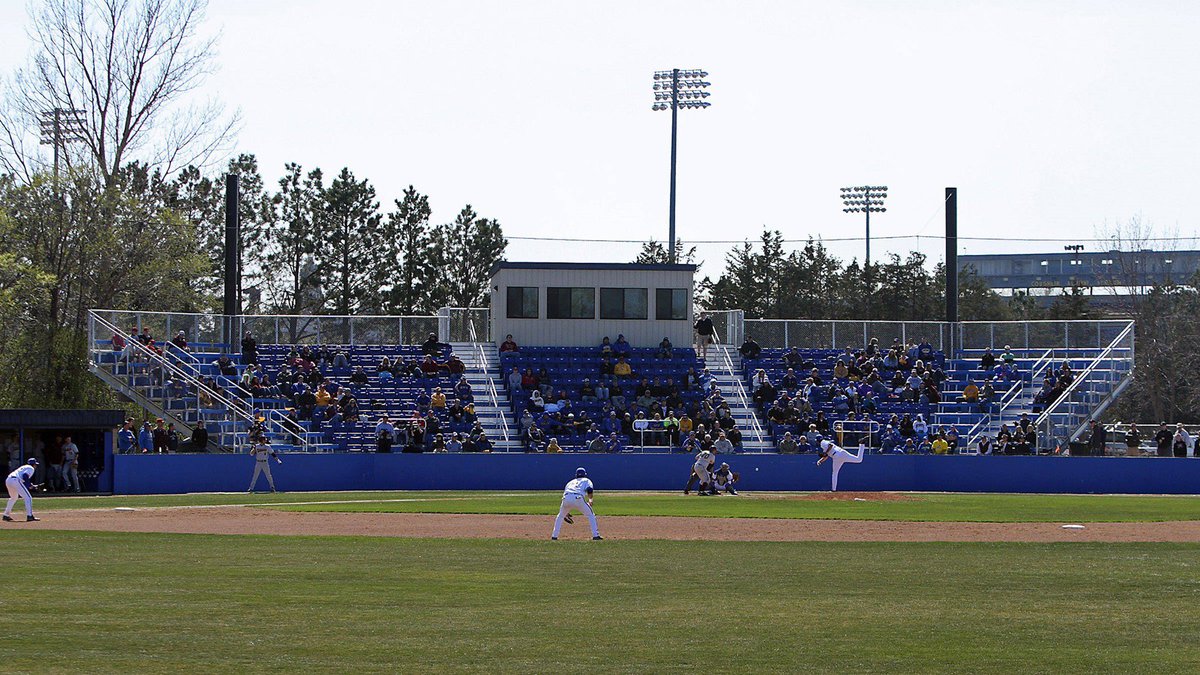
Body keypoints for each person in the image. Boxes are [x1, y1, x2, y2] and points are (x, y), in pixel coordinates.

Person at [551, 467, 602, 541]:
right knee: (590, 515)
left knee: (560, 516)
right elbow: (590, 489)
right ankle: (595, 535)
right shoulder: (586, 480)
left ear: (576, 475)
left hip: (566, 498)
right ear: (585, 474)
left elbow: (566, 494)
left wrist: (566, 511)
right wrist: (590, 499)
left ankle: (554, 536)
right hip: (578, 498)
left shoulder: (570, 482)